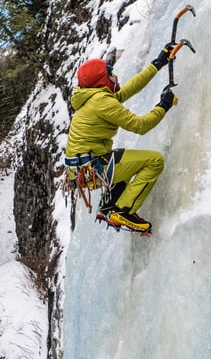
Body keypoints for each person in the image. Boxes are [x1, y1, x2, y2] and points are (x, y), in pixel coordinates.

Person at [65, 45, 177, 232]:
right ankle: (122, 210)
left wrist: (157, 64)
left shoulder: (93, 98)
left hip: (84, 167)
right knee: (154, 161)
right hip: (93, 167)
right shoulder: (102, 102)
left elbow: (129, 89)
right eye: (110, 76)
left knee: (124, 160)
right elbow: (140, 126)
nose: (115, 78)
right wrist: (163, 106)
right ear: (102, 81)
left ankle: (109, 205)